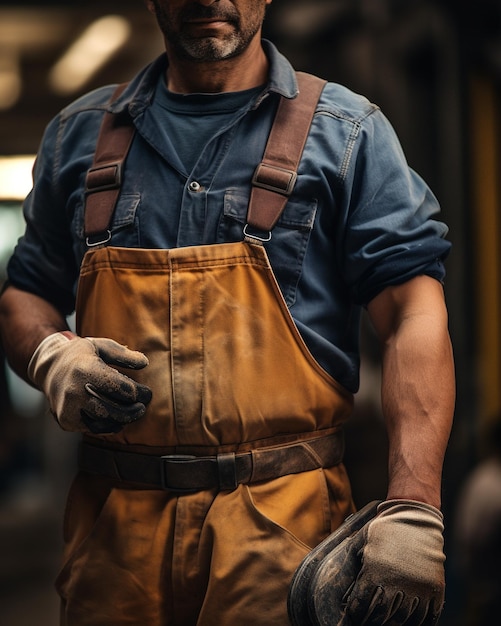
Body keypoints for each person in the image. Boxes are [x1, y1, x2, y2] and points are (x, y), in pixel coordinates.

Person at [0, 1, 455, 624]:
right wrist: (50, 354)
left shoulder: (346, 134)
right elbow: (24, 295)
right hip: (115, 540)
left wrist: (412, 505)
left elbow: (412, 312)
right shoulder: (79, 137)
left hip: (284, 533)